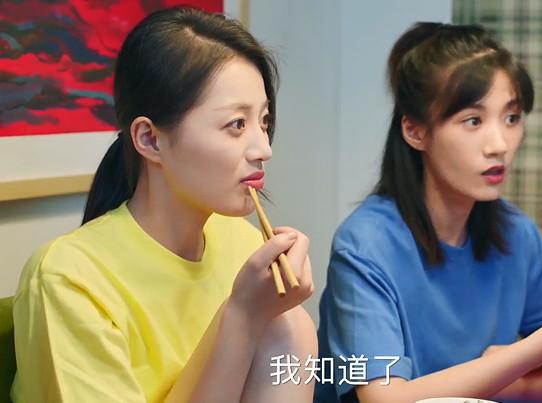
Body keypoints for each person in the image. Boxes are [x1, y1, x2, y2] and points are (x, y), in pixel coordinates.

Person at [11, 7, 316, 403]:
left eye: (263, 121)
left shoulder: (243, 245)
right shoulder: (68, 279)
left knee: (292, 324)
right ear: (150, 139)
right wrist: (242, 316)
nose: (264, 148)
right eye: (236, 125)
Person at [316, 22, 542, 403]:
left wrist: (518, 374)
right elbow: (385, 399)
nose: (499, 145)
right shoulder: (365, 245)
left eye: (511, 118)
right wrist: (539, 348)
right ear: (415, 131)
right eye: (473, 121)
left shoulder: (514, 232)